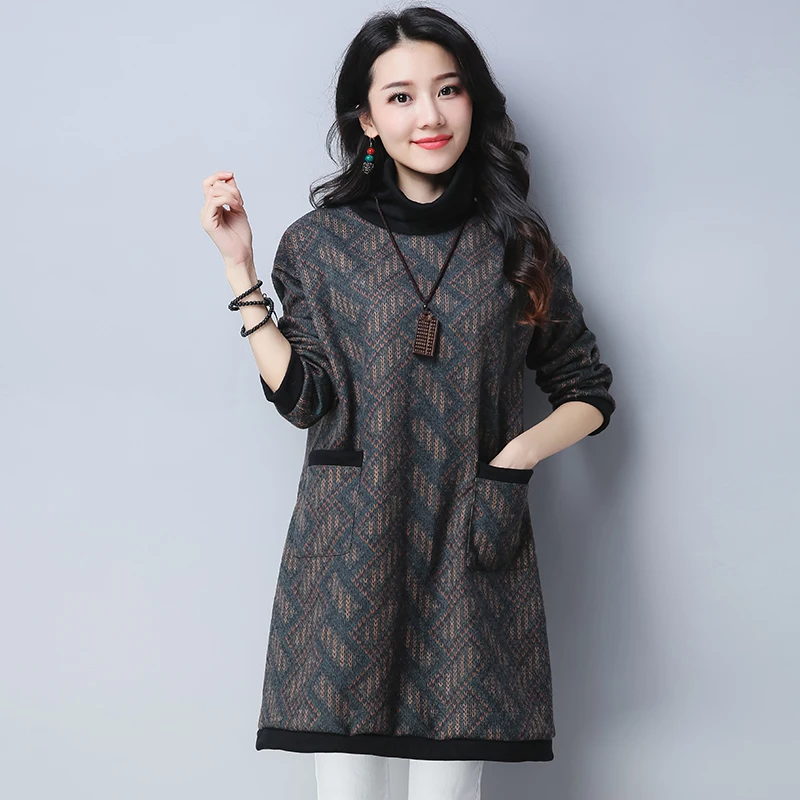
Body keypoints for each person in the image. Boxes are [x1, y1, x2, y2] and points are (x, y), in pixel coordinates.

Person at [200, 6, 616, 799]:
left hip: (468, 547)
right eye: (400, 97)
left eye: (448, 90)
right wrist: (240, 273)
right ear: (365, 118)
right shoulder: (317, 245)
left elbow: (586, 389)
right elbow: (305, 399)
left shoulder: (518, 245)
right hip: (349, 553)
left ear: (473, 101)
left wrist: (514, 459)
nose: (429, 115)